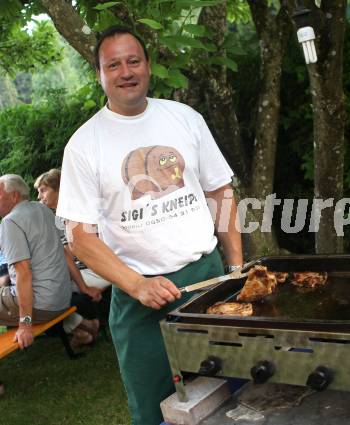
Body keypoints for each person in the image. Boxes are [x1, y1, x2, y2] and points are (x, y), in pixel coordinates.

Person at [56, 26, 243, 425]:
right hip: (139, 300)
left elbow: (221, 193)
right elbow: (79, 238)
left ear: (148, 66)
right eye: (113, 64)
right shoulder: (84, 145)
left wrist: (235, 269)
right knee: (156, 410)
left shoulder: (185, 119)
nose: (126, 71)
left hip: (208, 282)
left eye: (133, 60)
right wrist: (137, 284)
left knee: (235, 393)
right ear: (99, 75)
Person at [34, 169, 105, 345]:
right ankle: (83, 326)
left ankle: (83, 327)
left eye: (43, 190)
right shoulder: (58, 217)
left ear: (59, 189)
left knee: (39, 294)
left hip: (96, 269)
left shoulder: (77, 212)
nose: (39, 197)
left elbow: (74, 252)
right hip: (84, 270)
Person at [0, 174, 71, 350]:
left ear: (14, 195)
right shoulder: (44, 211)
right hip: (62, 300)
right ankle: (78, 324)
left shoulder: (10, 222)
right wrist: (84, 288)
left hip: (40, 307)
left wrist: (25, 325)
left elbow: (23, 272)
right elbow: (64, 253)